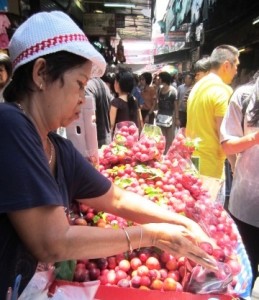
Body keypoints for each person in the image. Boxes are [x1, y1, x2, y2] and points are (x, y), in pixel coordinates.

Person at [0, 11, 217, 298]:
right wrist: (150, 235)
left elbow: (115, 197)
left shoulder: (58, 149)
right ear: (41, 73)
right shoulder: (9, 124)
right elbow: (52, 242)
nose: (83, 97)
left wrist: (182, 221)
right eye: (79, 83)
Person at [220, 74, 259, 292]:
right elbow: (228, 145)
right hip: (247, 206)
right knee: (244, 277)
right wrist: (254, 138)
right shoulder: (245, 95)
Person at [186, 45, 239, 181]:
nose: (236, 71)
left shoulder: (199, 86)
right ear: (226, 66)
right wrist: (235, 165)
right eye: (236, 66)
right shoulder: (222, 90)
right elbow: (224, 135)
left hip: (192, 157)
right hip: (210, 165)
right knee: (209, 201)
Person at [110, 68, 143, 133]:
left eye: (115, 82)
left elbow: (111, 125)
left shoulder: (116, 102)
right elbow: (140, 120)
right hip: (133, 136)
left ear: (117, 84)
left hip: (121, 138)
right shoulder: (134, 99)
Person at [85, 77, 113, 148]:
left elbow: (91, 116)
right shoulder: (104, 84)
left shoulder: (87, 86)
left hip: (95, 138)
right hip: (107, 135)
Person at [156, 71, 179, 153]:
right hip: (160, 116)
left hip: (170, 116)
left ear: (163, 79)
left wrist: (176, 118)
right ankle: (163, 152)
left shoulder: (173, 91)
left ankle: (169, 153)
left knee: (170, 137)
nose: (157, 80)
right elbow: (157, 103)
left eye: (159, 78)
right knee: (162, 137)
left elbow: (176, 105)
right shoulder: (159, 90)